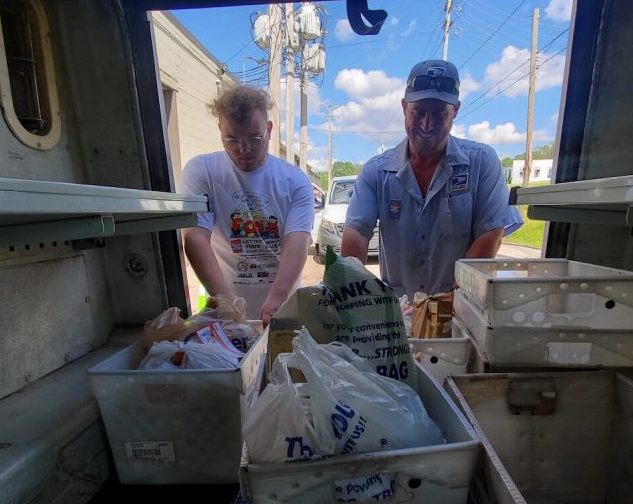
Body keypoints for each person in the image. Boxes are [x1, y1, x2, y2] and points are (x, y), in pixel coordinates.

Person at [341, 60, 523, 299]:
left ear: (455, 110)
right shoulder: (376, 172)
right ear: (404, 107)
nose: (426, 125)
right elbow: (356, 233)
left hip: (459, 306)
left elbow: (491, 233)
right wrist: (353, 296)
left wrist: (452, 300)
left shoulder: (482, 162)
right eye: (418, 113)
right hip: (399, 310)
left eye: (438, 115)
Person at [180, 85, 314, 325]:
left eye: (254, 138)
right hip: (226, 311)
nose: (243, 150)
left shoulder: (294, 180)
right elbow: (195, 239)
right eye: (232, 139)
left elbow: (297, 242)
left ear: (270, 130)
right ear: (220, 129)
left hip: (284, 310)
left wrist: (277, 299)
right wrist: (229, 306)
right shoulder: (202, 171)